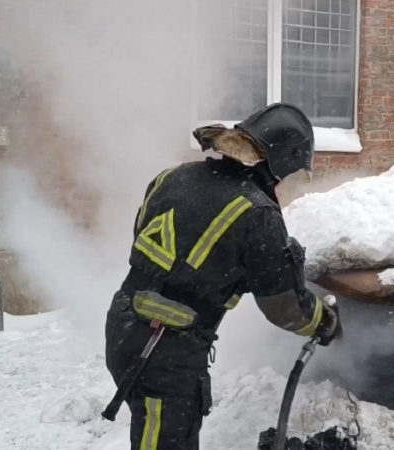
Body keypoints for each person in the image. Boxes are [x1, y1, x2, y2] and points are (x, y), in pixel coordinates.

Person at [103, 102, 342, 450]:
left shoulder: (174, 175)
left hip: (123, 326)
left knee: (150, 429)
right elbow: (284, 308)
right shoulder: (257, 213)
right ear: (282, 162)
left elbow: (148, 239)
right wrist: (326, 324)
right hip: (166, 350)